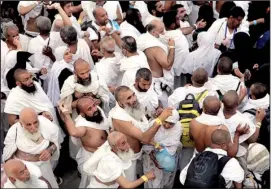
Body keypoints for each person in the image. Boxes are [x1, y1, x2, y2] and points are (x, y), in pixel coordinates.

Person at [109, 86, 173, 181]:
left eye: (133, 94)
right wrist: (160, 119)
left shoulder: (132, 106)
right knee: (130, 182)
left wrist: (156, 115)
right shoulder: (118, 117)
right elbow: (144, 138)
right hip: (128, 159)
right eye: (129, 98)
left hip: (139, 153)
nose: (134, 99)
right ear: (120, 103)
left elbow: (142, 123)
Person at [3, 108, 60, 188]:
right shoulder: (13, 132)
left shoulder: (45, 124)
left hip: (45, 166)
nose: (33, 127)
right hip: (25, 171)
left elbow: (55, 142)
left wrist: (50, 150)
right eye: (28, 124)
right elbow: (8, 156)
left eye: (35, 122)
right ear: (21, 123)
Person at [59, 97, 109, 188]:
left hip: (107, 155)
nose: (94, 109)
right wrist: (66, 115)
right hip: (92, 158)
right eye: (89, 109)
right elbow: (73, 132)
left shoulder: (97, 112)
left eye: (94, 105)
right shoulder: (83, 126)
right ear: (82, 114)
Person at [83, 131, 156, 188]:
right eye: (123, 143)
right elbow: (127, 186)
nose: (128, 146)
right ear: (114, 148)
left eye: (126, 141)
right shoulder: (109, 162)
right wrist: (146, 177)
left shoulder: (111, 146)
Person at [180, 129, 245, 188]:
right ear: (224, 146)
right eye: (230, 143)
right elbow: (239, 181)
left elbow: (182, 179)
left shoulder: (197, 156)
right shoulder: (230, 162)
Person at [218, 90, 266, 171]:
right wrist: (258, 121)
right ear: (237, 104)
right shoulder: (243, 121)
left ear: (222, 102)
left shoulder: (217, 111)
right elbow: (252, 140)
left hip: (220, 147)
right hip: (237, 152)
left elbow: (229, 104)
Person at [137, 19, 175, 107]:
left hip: (150, 82)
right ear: (153, 32)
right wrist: (172, 46)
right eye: (161, 31)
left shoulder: (142, 39)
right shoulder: (155, 47)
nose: (164, 33)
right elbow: (168, 65)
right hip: (157, 87)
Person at [142, 109, 182, 188]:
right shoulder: (154, 125)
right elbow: (145, 142)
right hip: (152, 159)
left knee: (167, 181)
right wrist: (153, 157)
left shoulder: (178, 127)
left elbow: (173, 146)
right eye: (165, 122)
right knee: (153, 182)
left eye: (171, 124)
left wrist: (157, 145)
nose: (167, 126)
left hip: (169, 160)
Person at [162, 10, 189, 88]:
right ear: (172, 25)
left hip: (181, 68)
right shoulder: (170, 36)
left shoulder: (172, 33)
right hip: (175, 70)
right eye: (177, 19)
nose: (180, 20)